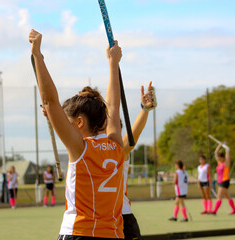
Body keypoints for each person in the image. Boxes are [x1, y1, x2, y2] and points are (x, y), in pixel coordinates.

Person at [30, 29, 125, 239]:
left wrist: (37, 55)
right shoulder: (117, 147)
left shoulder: (81, 149)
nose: (64, 125)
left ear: (79, 122)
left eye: (68, 121)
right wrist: (113, 63)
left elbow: (50, 101)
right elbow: (113, 105)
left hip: (79, 233)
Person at [121, 82, 157, 240]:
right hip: (96, 219)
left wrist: (145, 110)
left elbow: (132, 135)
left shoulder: (117, 150)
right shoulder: (83, 148)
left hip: (121, 215)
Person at [211, 143, 235, 215]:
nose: (219, 158)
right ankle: (234, 210)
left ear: (223, 158)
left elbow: (228, 157)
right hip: (220, 181)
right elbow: (215, 152)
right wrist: (220, 145)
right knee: (228, 196)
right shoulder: (219, 163)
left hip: (224, 181)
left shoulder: (226, 163)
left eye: (220, 157)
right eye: (218, 157)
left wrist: (227, 150)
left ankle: (215, 211)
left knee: (219, 197)